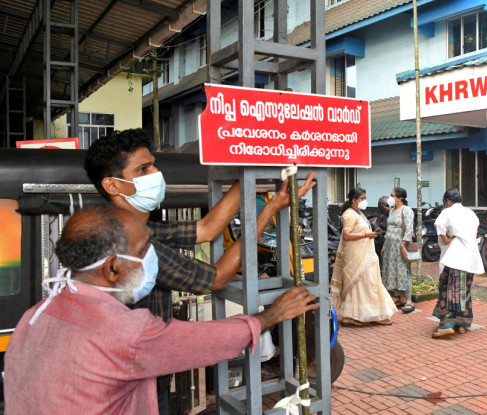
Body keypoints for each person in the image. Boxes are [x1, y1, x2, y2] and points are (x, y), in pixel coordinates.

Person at [83, 128, 315, 413]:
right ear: (113, 185)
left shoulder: (141, 227)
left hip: (142, 370)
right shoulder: (129, 244)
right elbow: (217, 278)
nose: (156, 173)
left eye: (153, 164)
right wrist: (269, 210)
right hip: (132, 381)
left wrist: (248, 169)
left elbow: (207, 229)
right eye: (143, 168)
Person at [3, 206, 318, 414]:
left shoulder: (36, 314)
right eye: (143, 252)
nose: (151, 258)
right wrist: (272, 315)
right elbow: (209, 340)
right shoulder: (125, 332)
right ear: (112, 268)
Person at [330, 187, 397, 326]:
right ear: (354, 200)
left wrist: (371, 233)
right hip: (356, 256)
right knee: (359, 284)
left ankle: (375, 315)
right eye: (362, 198)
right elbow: (347, 235)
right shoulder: (349, 215)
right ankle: (350, 316)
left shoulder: (358, 213)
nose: (364, 201)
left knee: (370, 283)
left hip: (366, 254)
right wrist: (367, 235)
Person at [431, 189, 484, 339]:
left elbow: (439, 224)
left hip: (455, 256)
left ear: (448, 201)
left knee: (448, 288)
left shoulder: (447, 212)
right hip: (470, 257)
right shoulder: (471, 213)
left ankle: (447, 325)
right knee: (464, 289)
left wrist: (447, 240)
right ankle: (462, 324)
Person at [381, 187, 416, 313]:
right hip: (390, 246)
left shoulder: (406, 210)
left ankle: (409, 301)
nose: (390, 197)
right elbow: (389, 228)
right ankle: (401, 299)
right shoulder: (392, 211)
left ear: (400, 198)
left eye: (392, 195)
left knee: (403, 271)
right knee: (393, 271)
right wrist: (385, 245)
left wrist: (404, 243)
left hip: (400, 245)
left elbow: (409, 229)